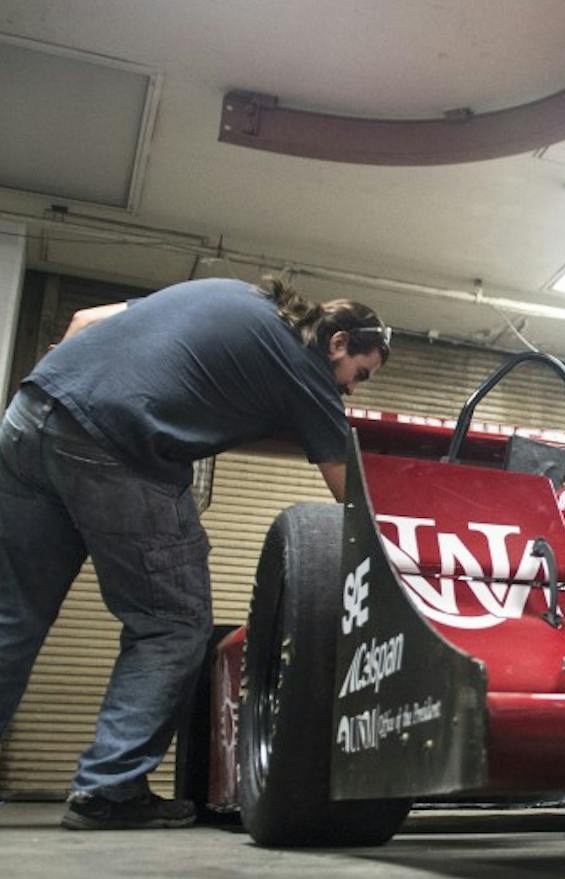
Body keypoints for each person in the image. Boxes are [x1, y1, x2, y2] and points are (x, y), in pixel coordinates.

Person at [0, 276, 390, 829]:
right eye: (361, 374)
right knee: (174, 624)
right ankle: (109, 791)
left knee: (12, 615)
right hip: (119, 445)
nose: (354, 389)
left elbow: (85, 321)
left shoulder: (235, 292)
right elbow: (347, 492)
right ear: (338, 344)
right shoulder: (306, 374)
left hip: (31, 415)